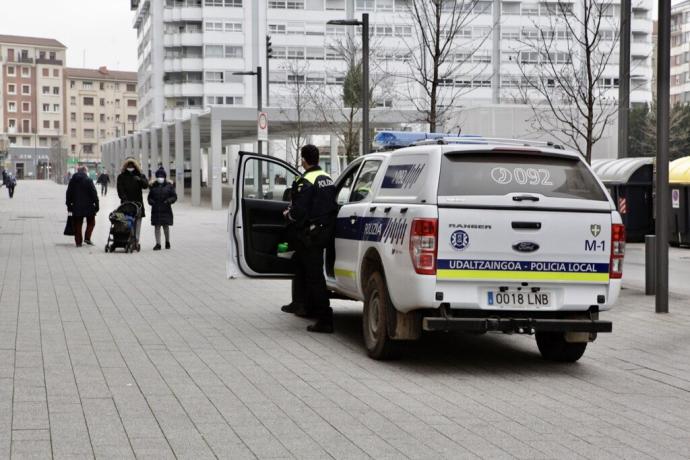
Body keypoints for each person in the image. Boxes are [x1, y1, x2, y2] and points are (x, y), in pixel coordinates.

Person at [281, 144, 338, 333]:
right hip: (324, 232)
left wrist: (288, 215)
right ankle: (300, 303)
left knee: (314, 276)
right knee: (302, 265)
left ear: (303, 160)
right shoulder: (327, 178)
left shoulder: (305, 180)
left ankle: (325, 318)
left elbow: (299, 211)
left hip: (310, 235)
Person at [117, 157, 148, 248]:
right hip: (126, 204)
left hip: (138, 204)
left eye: (132, 165)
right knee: (128, 222)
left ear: (136, 166)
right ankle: (130, 239)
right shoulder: (121, 176)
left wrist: (140, 180)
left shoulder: (140, 175)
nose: (130, 167)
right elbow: (120, 190)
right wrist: (124, 200)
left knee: (137, 223)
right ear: (125, 166)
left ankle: (136, 241)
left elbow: (146, 186)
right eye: (128, 165)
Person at [66, 166, 99, 247]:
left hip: (76, 206)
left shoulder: (72, 181)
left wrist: (69, 205)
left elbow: (68, 193)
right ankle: (87, 238)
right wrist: (97, 205)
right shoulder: (88, 180)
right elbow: (94, 194)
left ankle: (78, 242)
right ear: (85, 171)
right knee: (91, 222)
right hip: (89, 206)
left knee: (77, 224)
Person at [148, 167, 177, 250]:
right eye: (158, 176)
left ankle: (167, 242)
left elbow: (174, 196)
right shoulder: (153, 186)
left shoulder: (169, 186)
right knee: (157, 227)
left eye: (161, 176)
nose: (160, 178)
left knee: (165, 227)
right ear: (156, 177)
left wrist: (169, 201)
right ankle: (158, 244)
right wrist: (151, 202)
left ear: (164, 177)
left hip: (166, 209)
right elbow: (149, 197)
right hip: (156, 209)